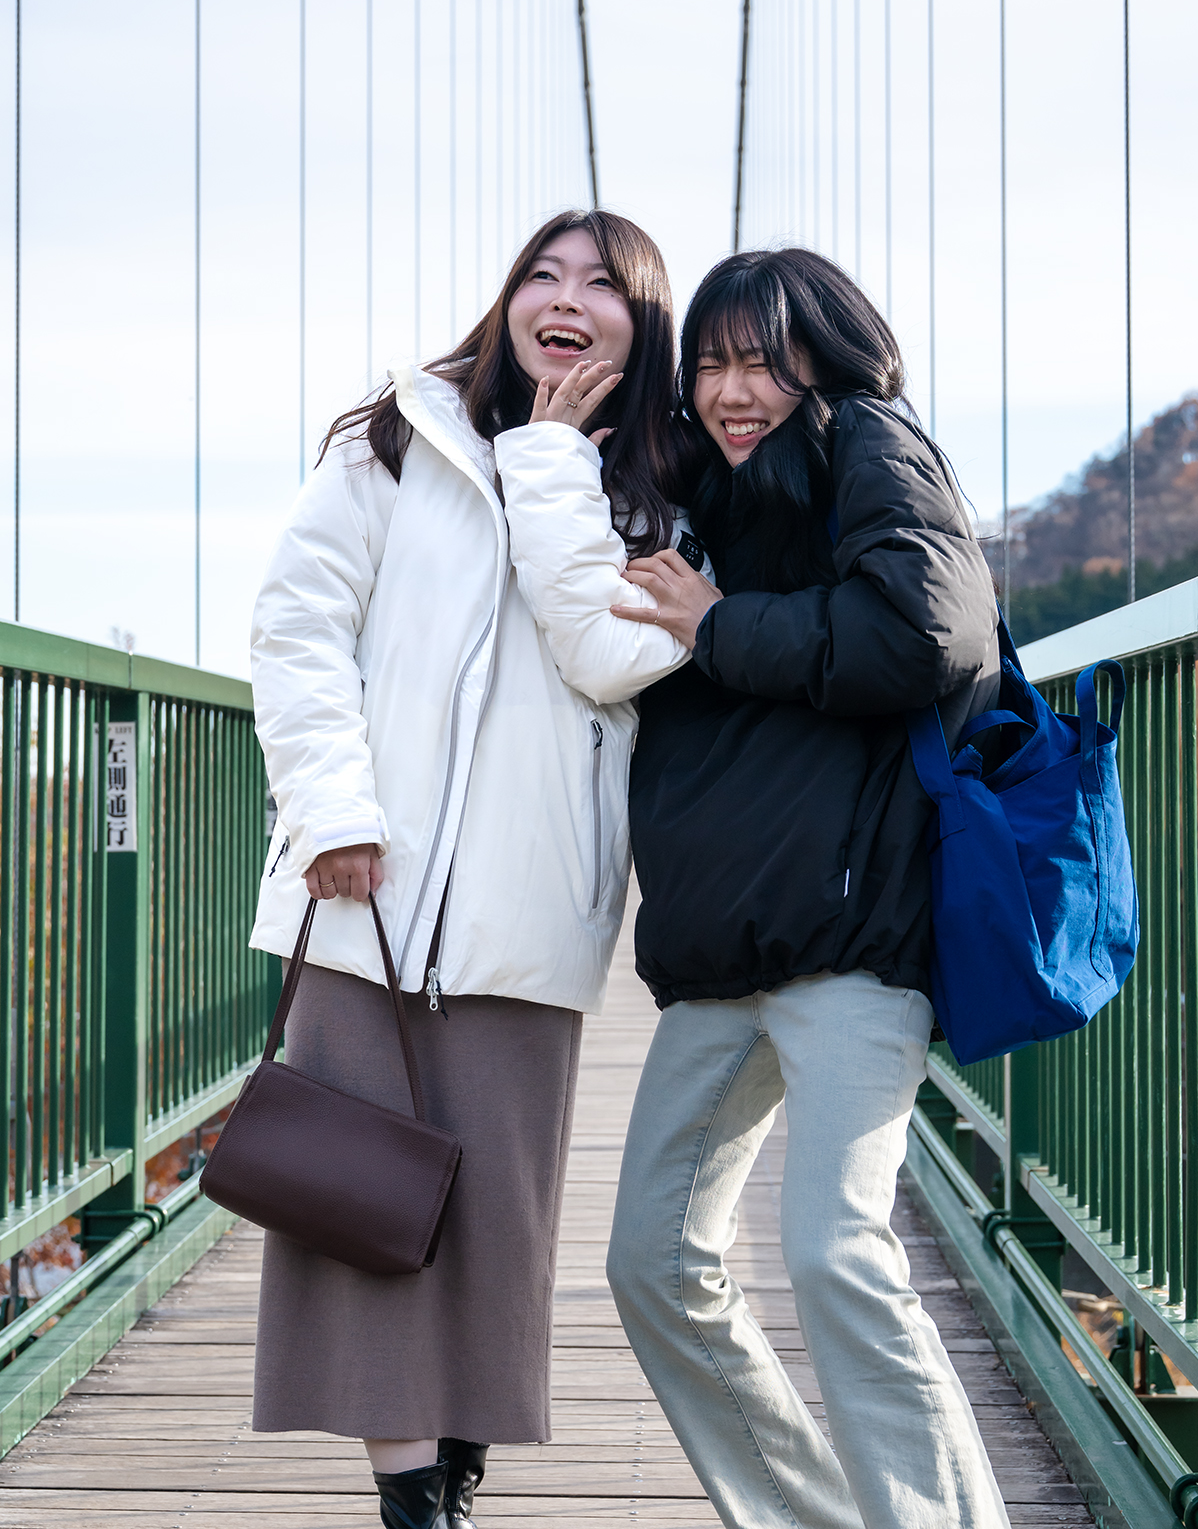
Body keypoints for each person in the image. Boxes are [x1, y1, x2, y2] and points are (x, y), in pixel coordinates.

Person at [245, 209, 704, 1529]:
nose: (564, 299)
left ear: (642, 324)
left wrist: (552, 463)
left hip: (525, 915)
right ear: (507, 301)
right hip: (363, 895)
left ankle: (451, 1457)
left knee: (491, 1222)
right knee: (356, 1206)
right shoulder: (396, 439)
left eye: (601, 285)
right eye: (540, 276)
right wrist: (333, 811)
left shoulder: (668, 496)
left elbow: (607, 657)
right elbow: (299, 625)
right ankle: (415, 1497)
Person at [596, 247, 1011, 1528]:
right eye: (709, 364)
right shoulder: (696, 488)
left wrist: (718, 625)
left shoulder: (872, 442)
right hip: (725, 945)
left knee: (836, 1251)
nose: (732, 392)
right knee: (651, 1259)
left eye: (762, 364)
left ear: (825, 361)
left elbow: (932, 633)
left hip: (853, 930)